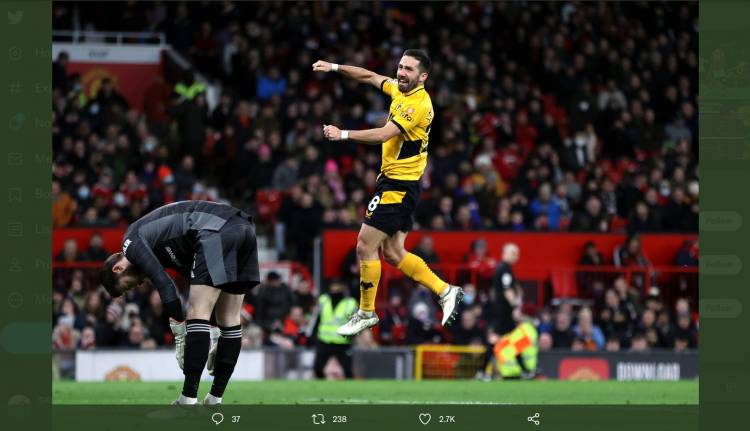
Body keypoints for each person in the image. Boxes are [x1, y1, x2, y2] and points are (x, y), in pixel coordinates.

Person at [312, 49, 463, 337]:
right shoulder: (400, 91)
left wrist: (342, 134)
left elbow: (383, 134)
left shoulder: (417, 104)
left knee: (364, 246)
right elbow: (369, 76)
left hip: (399, 186)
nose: (401, 73)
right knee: (393, 253)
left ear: (423, 76)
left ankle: (366, 312)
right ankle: (446, 290)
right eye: (401, 67)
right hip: (400, 183)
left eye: (409, 69)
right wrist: (333, 66)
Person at [99, 200, 259, 405]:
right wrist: (216, 334)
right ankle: (214, 399)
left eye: (127, 286)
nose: (137, 285)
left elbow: (165, 284)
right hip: (243, 228)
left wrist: (180, 336)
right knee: (228, 318)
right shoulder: (169, 245)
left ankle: (188, 400)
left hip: (215, 229)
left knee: (197, 311)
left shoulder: (130, 243)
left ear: (118, 269)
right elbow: (205, 288)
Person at [309, 280, 358, 379]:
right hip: (324, 340)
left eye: (338, 286)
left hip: (342, 342)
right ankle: (321, 387)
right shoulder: (323, 300)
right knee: (317, 369)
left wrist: (352, 336)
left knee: (348, 371)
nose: (335, 289)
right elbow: (315, 319)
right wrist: (312, 336)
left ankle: (352, 391)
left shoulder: (351, 303)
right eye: (334, 286)